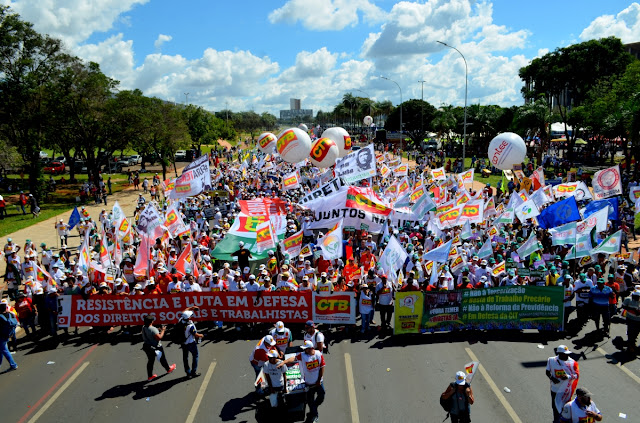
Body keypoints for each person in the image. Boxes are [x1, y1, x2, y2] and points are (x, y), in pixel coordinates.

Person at [280, 340, 325, 423]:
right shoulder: (302, 355)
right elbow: (293, 358)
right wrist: (284, 362)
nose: (304, 350)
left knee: (321, 397)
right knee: (310, 401)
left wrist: (319, 380)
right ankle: (314, 414)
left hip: (319, 383)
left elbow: (322, 367)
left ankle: (314, 407)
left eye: (305, 349)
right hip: (309, 384)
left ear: (310, 348)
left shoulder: (318, 354)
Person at [546, 345, 579, 423]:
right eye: (565, 354)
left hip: (566, 390)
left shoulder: (573, 362)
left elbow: (577, 375)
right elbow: (547, 371)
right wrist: (552, 378)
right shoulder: (551, 360)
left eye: (568, 353)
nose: (567, 355)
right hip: (555, 389)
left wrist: (568, 376)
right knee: (555, 407)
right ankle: (556, 420)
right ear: (559, 354)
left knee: (566, 408)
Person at [141, 314, 176, 381]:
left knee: (150, 361)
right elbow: (159, 337)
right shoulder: (153, 329)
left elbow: (150, 332)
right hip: (156, 347)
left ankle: (150, 376)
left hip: (147, 346)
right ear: (151, 321)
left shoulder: (144, 327)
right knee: (162, 359)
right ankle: (168, 369)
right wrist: (163, 330)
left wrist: (157, 330)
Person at [180, 308, 203, 378]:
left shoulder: (180, 320)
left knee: (185, 358)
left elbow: (183, 311)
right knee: (195, 355)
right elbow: (195, 334)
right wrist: (202, 335)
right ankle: (193, 372)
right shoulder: (190, 325)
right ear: (188, 317)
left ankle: (188, 372)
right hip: (191, 343)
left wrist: (192, 307)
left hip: (183, 343)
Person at [0, 301, 18, 371]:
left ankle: (13, 365)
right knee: (1, 350)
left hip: (1, 336)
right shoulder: (10, 314)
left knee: (4, 350)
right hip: (8, 334)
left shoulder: (0, 317)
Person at [621, 287, 640, 353]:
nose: (637, 298)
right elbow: (623, 306)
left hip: (638, 320)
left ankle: (633, 342)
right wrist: (632, 309)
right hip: (630, 319)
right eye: (636, 297)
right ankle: (630, 346)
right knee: (630, 332)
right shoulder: (629, 300)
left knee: (636, 332)